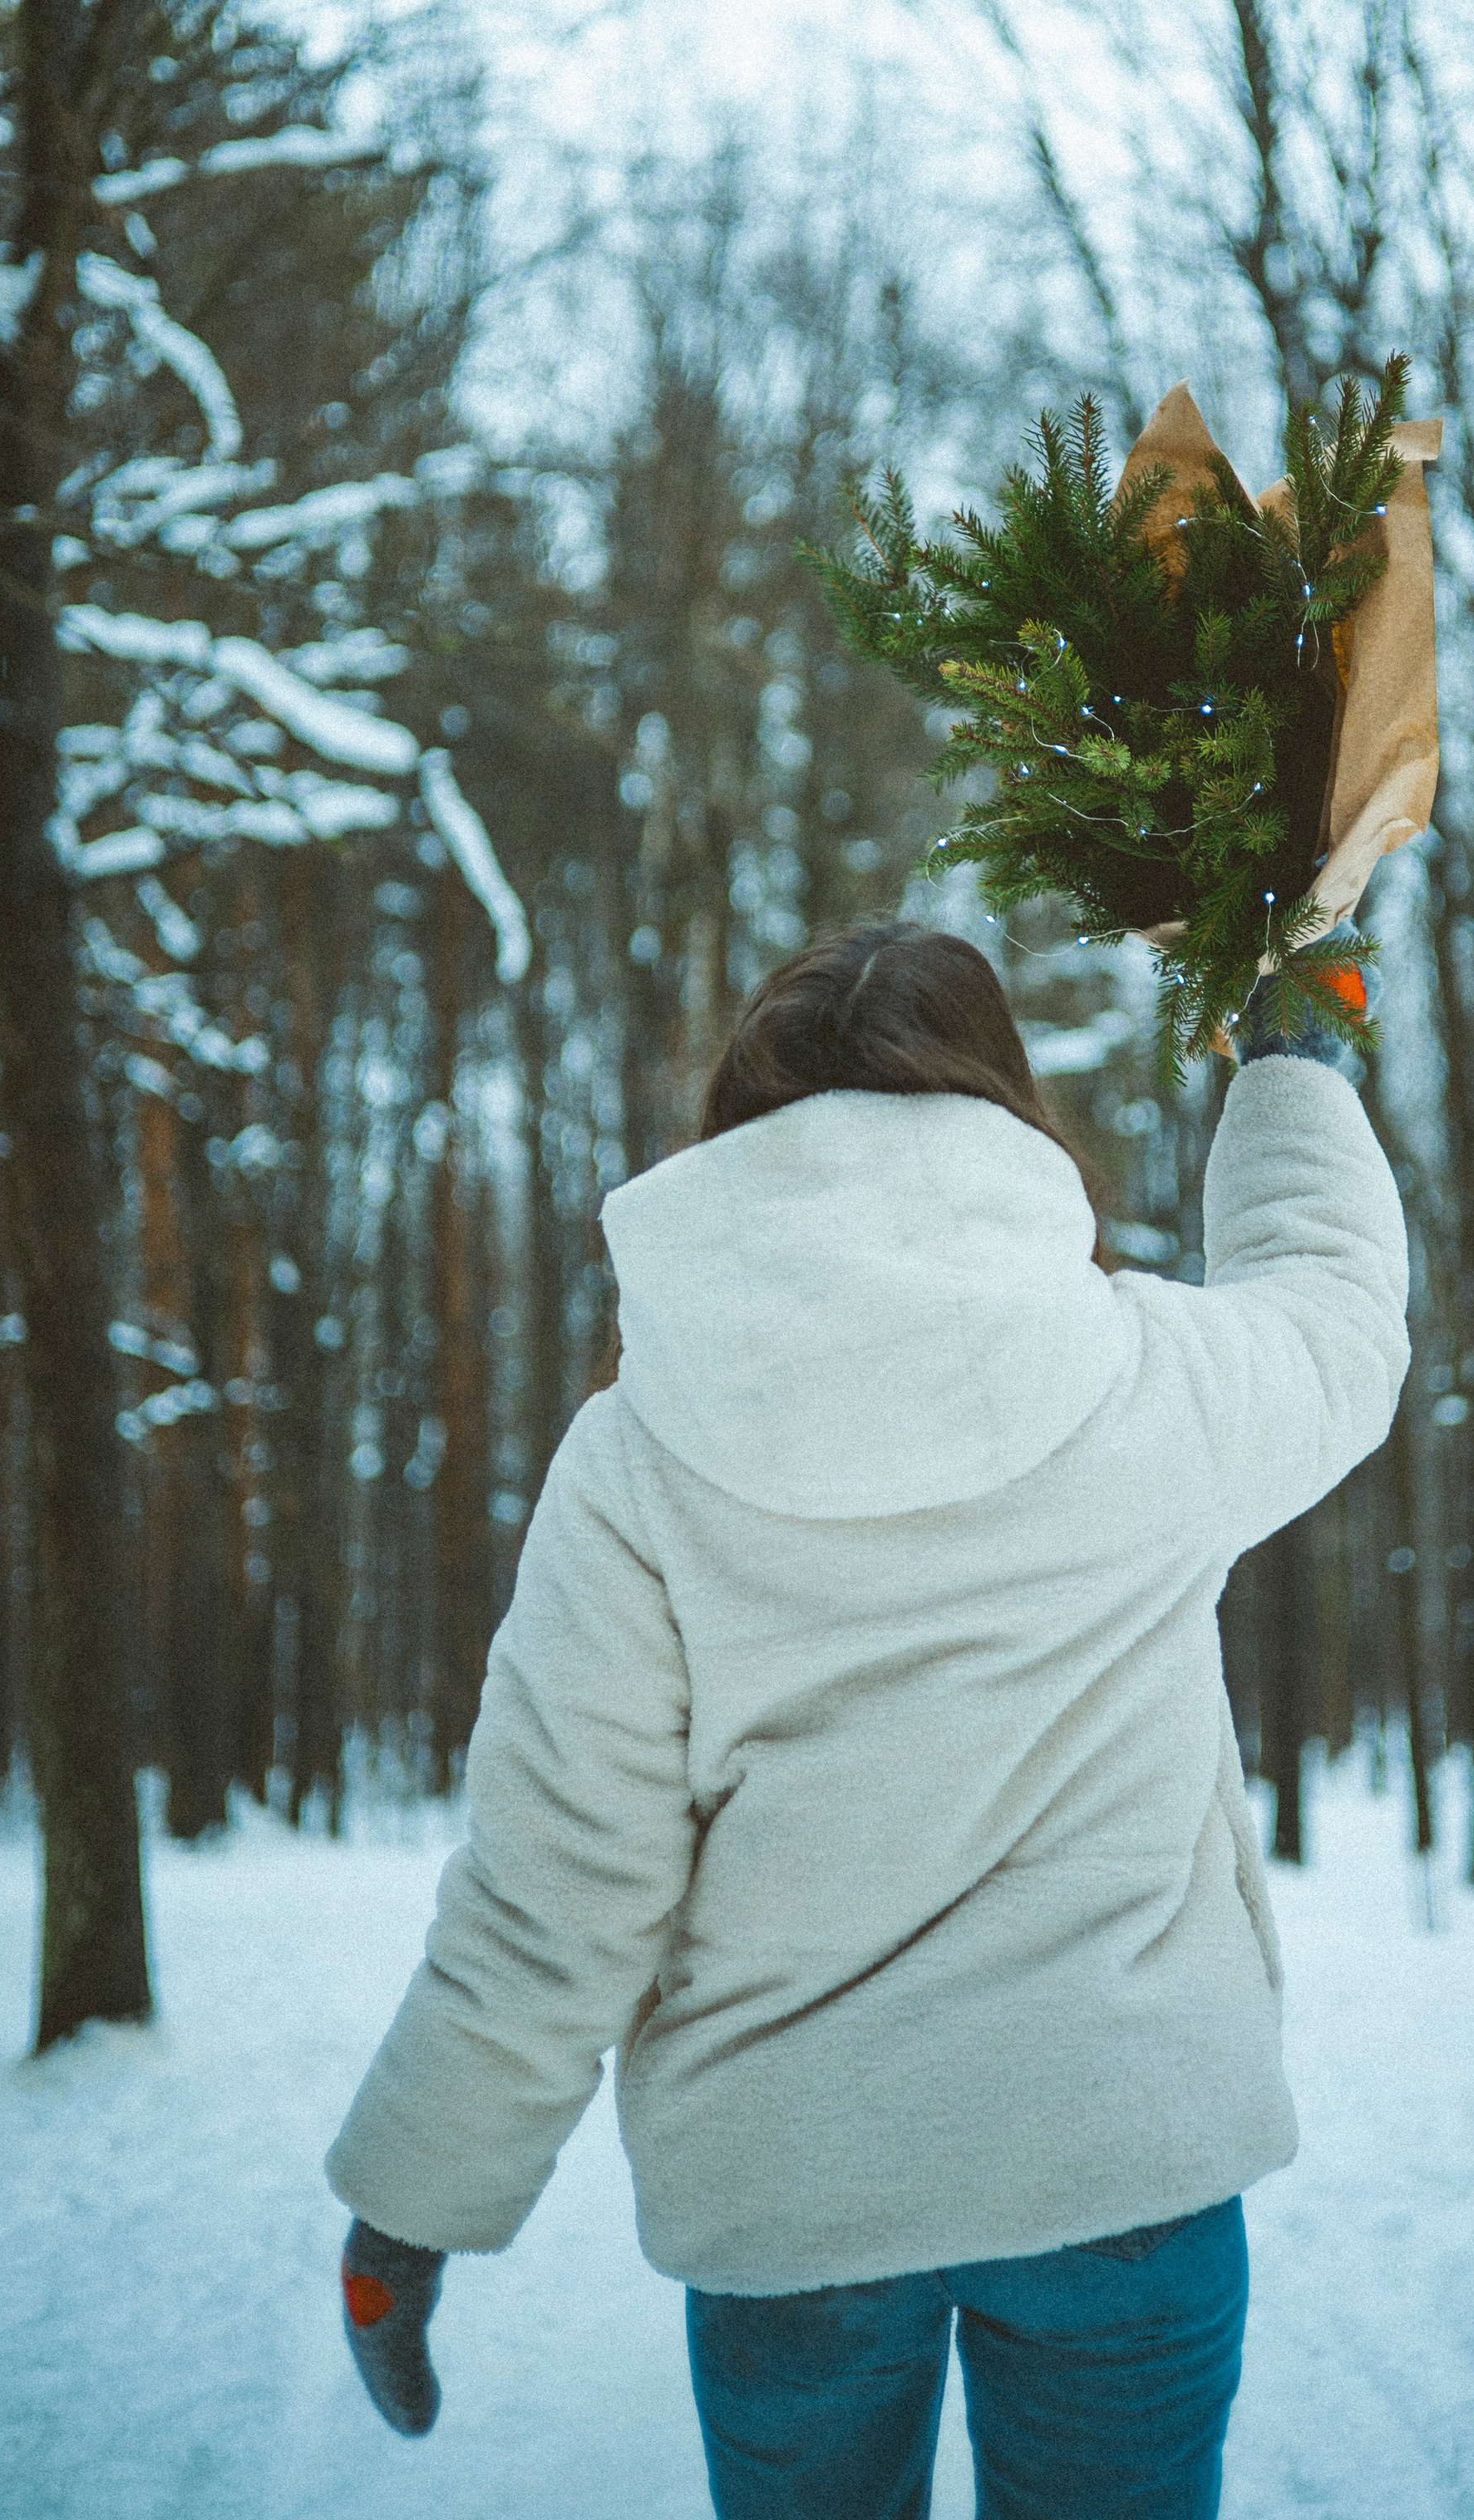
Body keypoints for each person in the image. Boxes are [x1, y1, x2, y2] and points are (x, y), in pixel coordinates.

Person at [325, 919, 1409, 2519]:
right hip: (1119, 2155)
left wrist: (406, 2214)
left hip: (794, 2203)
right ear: (1000, 1108)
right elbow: (1333, 1316)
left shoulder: (637, 1464)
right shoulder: (1149, 1382)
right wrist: (1292, 1065)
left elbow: (560, 1892)